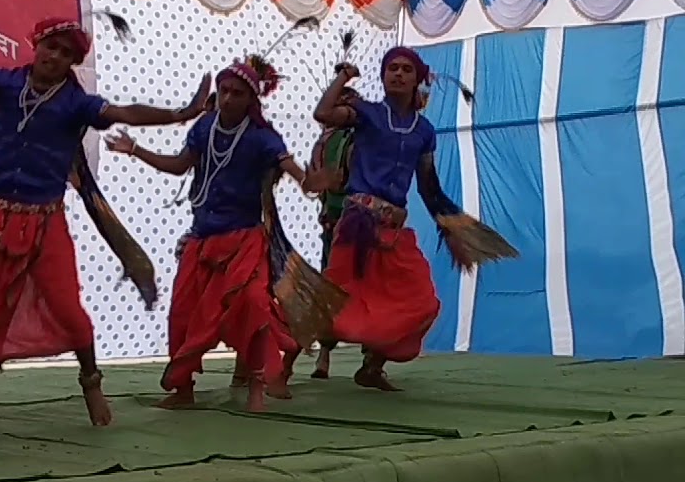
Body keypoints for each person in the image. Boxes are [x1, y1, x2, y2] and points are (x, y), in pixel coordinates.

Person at [0, 0, 211, 433]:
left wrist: (180, 114)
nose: (55, 57)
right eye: (51, 48)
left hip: (44, 224)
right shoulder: (5, 83)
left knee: (68, 309)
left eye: (66, 54)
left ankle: (92, 385)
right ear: (37, 44)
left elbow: (125, 113)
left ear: (72, 62)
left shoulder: (75, 104)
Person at [107, 55, 333, 412]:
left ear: (251, 99)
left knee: (254, 306)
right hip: (201, 238)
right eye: (223, 91)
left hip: (244, 239)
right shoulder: (204, 127)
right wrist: (135, 150)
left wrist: (310, 180)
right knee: (182, 312)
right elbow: (180, 166)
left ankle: (257, 384)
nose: (227, 98)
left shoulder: (262, 137)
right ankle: (183, 390)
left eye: (237, 93)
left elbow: (289, 167)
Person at [313, 47, 514, 391]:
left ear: (418, 78)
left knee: (422, 301)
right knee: (333, 302)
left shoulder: (424, 132)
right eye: (392, 68)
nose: (399, 74)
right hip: (356, 227)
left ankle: (372, 366)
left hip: (392, 232)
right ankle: (281, 360)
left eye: (407, 69)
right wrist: (344, 76)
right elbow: (324, 112)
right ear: (383, 75)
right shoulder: (367, 113)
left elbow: (428, 186)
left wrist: (451, 226)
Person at [279, 85, 360, 381]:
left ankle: (320, 357)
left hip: (349, 218)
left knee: (339, 284)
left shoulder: (349, 138)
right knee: (333, 284)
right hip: (338, 219)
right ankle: (317, 354)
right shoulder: (329, 140)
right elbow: (319, 182)